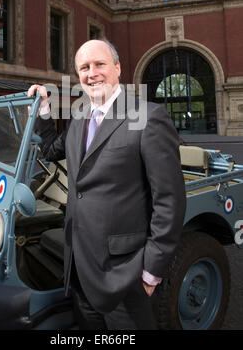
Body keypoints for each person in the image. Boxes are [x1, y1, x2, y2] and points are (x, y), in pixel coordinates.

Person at [28, 39, 186, 330]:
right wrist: (44, 110)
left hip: (125, 276)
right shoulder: (78, 117)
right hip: (79, 269)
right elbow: (51, 150)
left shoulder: (148, 117)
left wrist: (151, 271)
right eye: (84, 68)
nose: (92, 73)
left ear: (117, 68)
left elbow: (170, 201)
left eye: (99, 64)